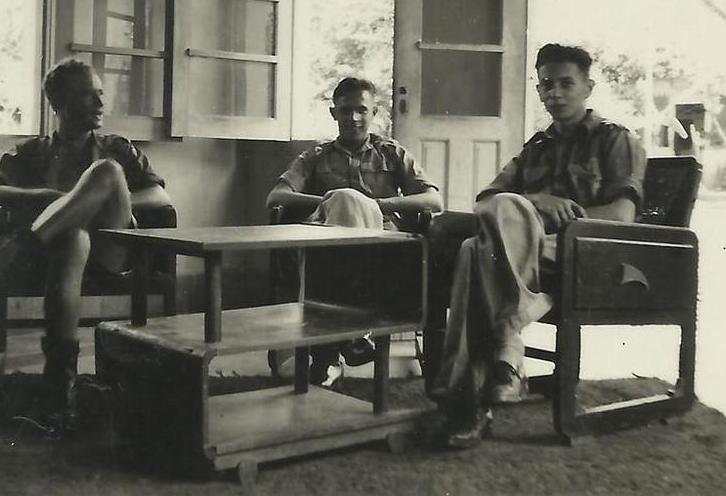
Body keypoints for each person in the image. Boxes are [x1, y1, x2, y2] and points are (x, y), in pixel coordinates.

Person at [430, 43, 647, 448]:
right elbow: (486, 201)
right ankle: (498, 371)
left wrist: (552, 217)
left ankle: (484, 375)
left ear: (588, 87)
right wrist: (536, 203)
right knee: (476, 246)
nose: (555, 93)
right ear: (538, 90)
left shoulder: (615, 139)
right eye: (547, 85)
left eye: (567, 83)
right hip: (532, 255)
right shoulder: (537, 147)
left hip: (587, 253)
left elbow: (622, 215)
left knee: (478, 250)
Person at [0, 58, 173, 435]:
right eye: (89, 95)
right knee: (72, 239)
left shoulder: (117, 148)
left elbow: (159, 196)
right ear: (59, 102)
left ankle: (6, 258)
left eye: (100, 93)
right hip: (59, 258)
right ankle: (59, 390)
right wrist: (52, 197)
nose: (101, 103)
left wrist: (100, 198)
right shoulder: (32, 152)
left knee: (107, 172)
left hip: (112, 250)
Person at [266, 77, 442, 386]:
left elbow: (433, 200)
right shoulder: (316, 156)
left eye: (361, 110)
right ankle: (355, 336)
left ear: (374, 112)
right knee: (343, 204)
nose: (354, 118)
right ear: (334, 113)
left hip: (381, 244)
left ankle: (328, 355)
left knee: (348, 210)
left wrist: (375, 206)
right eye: (346, 110)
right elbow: (276, 197)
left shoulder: (391, 153)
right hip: (327, 241)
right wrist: (334, 201)